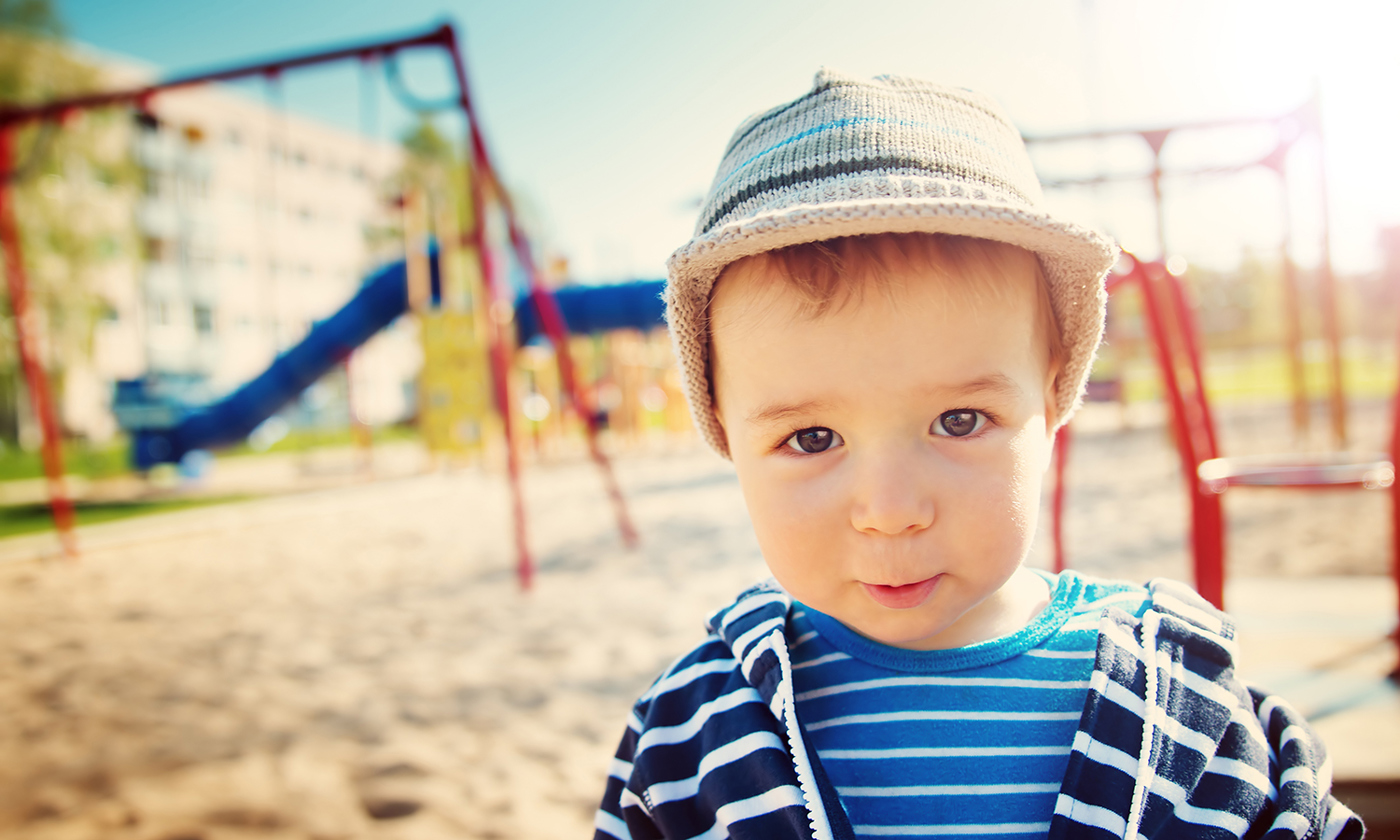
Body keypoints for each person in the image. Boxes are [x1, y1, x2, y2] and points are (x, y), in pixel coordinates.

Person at [592, 69, 1362, 840]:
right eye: (811, 438)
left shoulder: (1181, 707)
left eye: (960, 420)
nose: (891, 511)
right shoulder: (690, 736)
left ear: (1054, 398)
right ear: (726, 432)